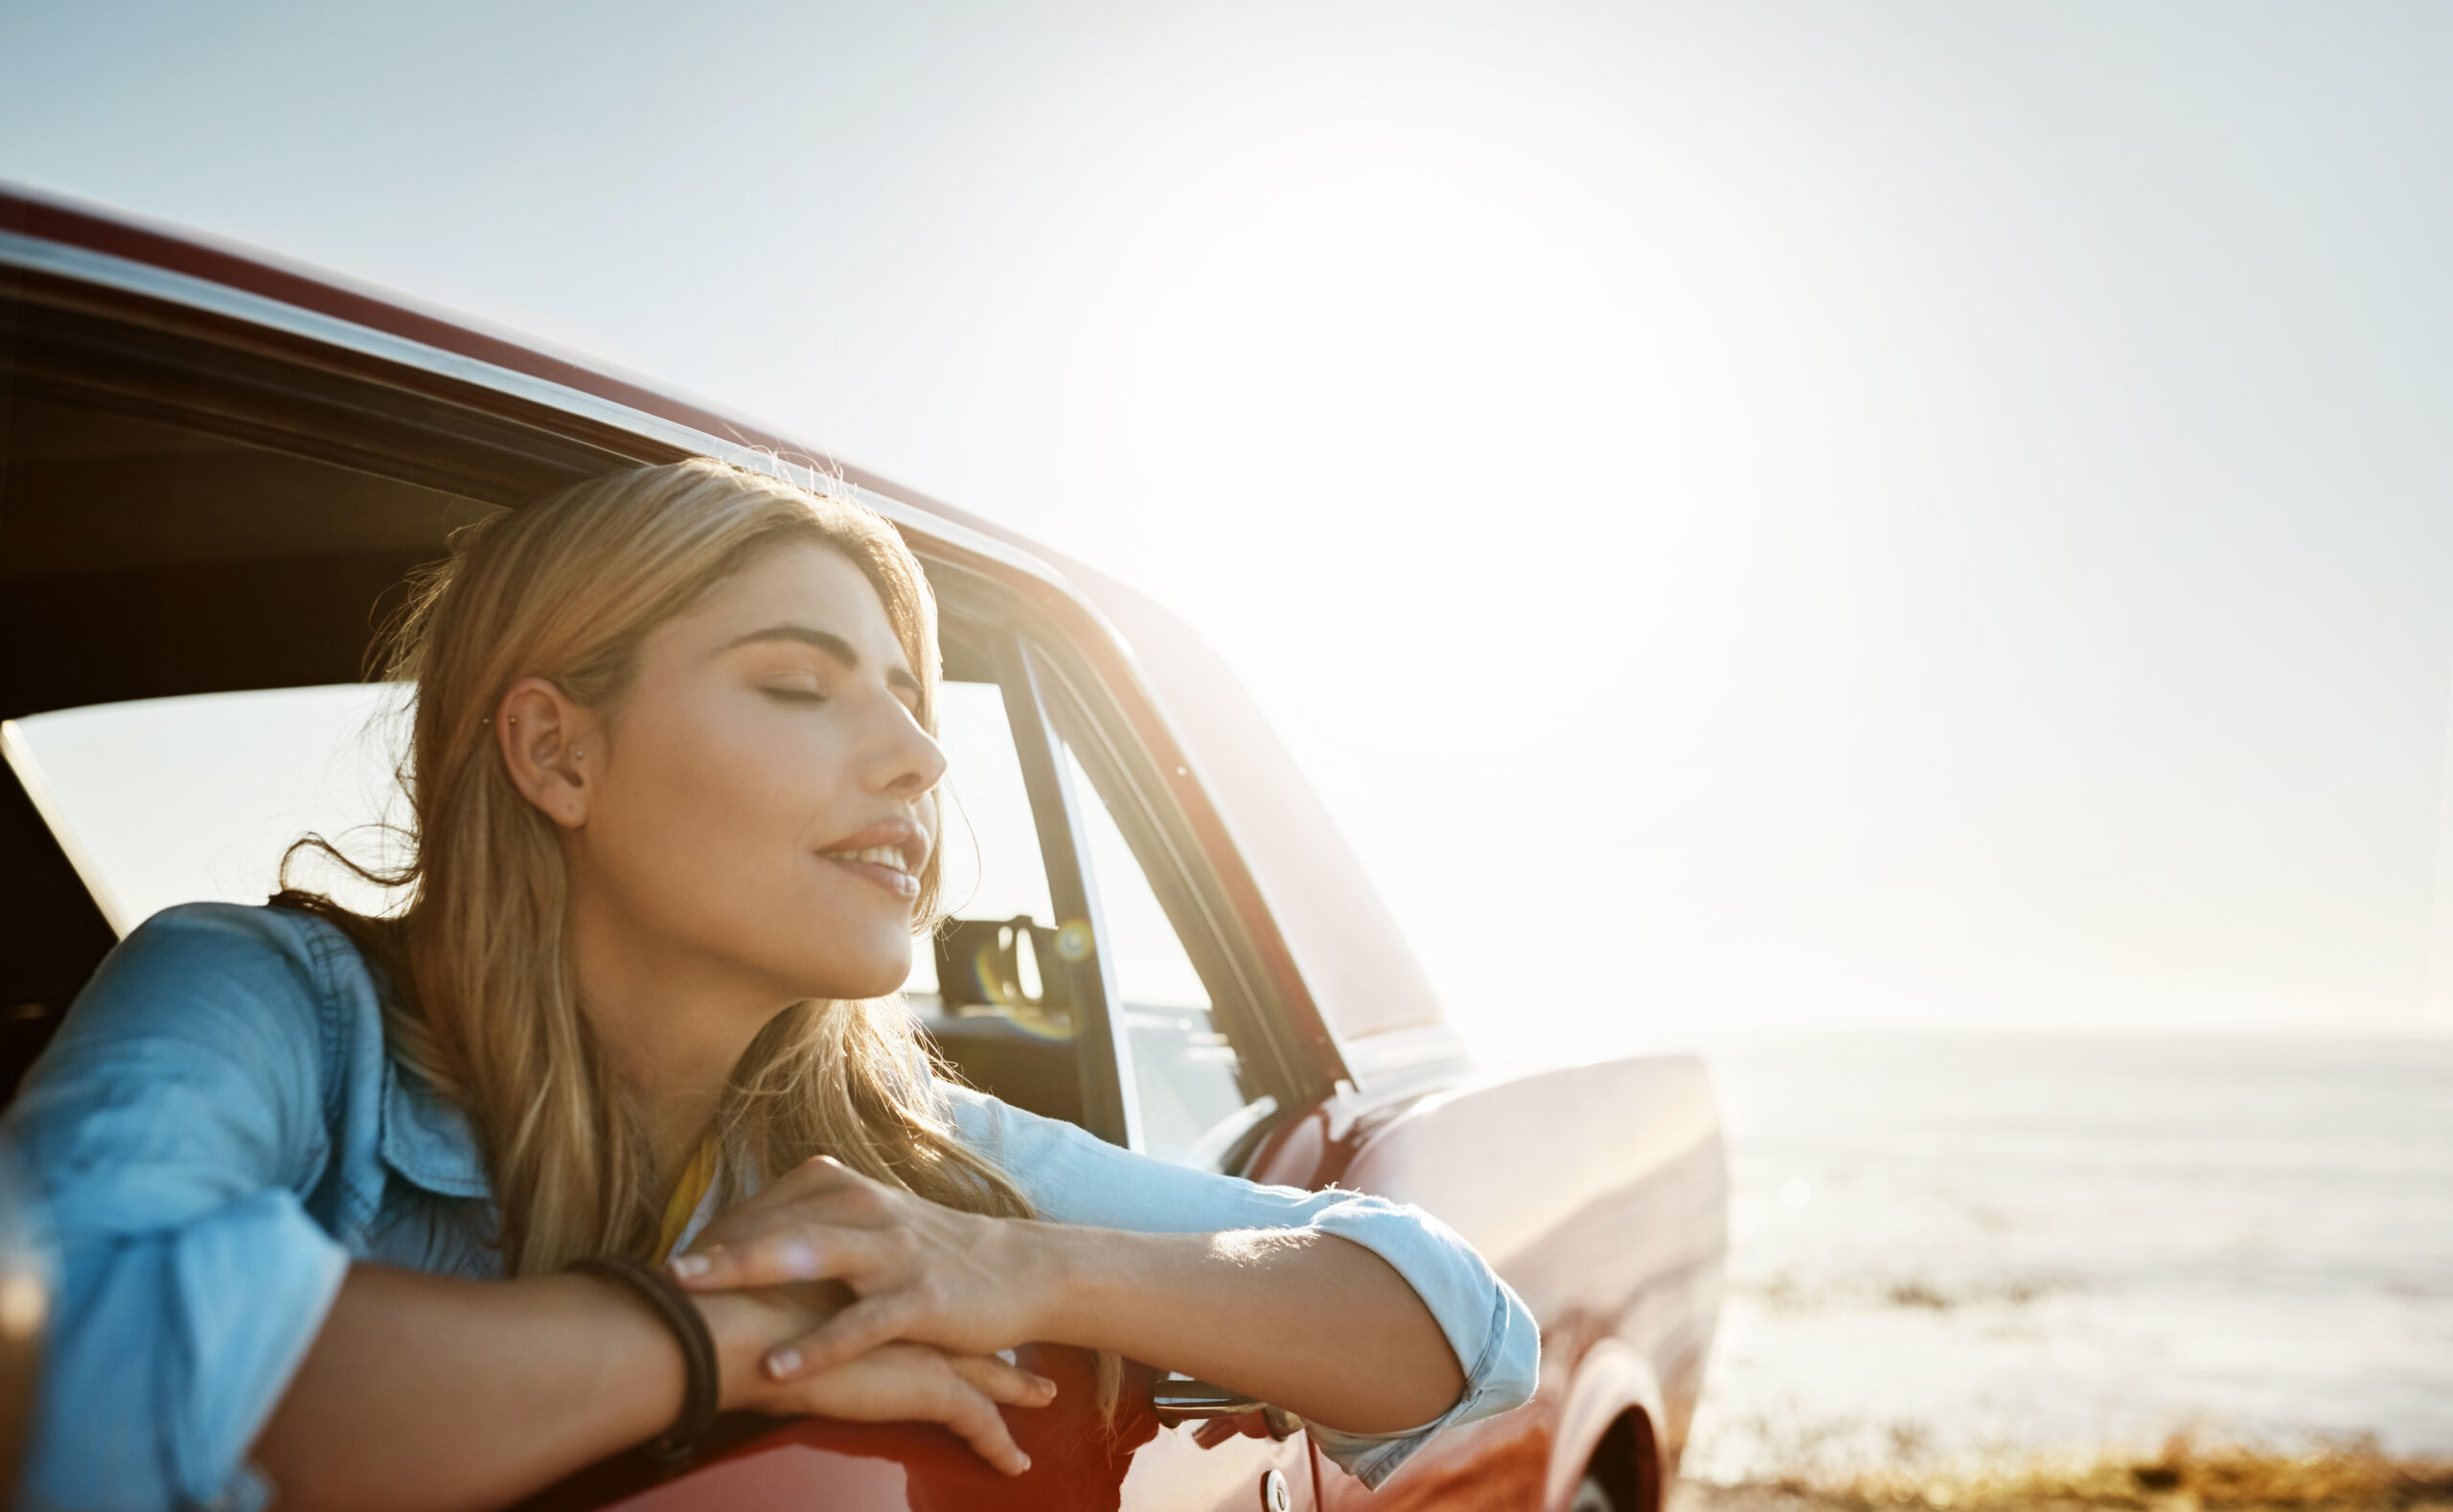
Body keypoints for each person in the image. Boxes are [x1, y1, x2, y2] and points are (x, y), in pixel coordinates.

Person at [2, 459, 1537, 1510]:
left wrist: (1029, 1270)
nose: (923, 758)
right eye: (801, 686)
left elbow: (1466, 1335)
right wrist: (713, 1340)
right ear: (557, 751)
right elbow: (52, 1368)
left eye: (910, 700)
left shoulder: (890, 1146)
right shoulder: (267, 1007)